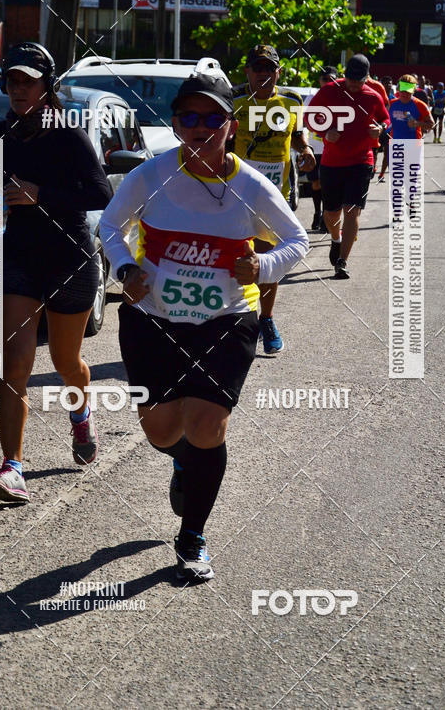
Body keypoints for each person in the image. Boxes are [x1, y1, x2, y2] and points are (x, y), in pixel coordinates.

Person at [100, 72, 308, 582]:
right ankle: (181, 463)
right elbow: (109, 225)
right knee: (162, 430)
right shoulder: (150, 177)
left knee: (207, 426)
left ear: (229, 127)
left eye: (212, 117)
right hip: (153, 321)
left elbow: (297, 240)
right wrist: (125, 268)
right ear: (175, 125)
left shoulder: (251, 187)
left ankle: (192, 535)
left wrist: (262, 267)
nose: (200, 127)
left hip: (226, 320)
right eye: (189, 117)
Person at [0, 42, 112, 503]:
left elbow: (101, 193)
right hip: (19, 259)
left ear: (46, 85)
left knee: (65, 363)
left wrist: (41, 194)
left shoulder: (69, 135)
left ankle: (81, 416)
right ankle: (12, 467)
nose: (17, 89)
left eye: (27, 80)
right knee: (14, 365)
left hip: (69, 259)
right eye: (11, 80)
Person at [232, 44, 314, 353]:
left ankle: (265, 319)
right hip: (235, 194)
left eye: (270, 68)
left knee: (266, 261)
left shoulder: (291, 100)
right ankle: (237, 320)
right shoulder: (234, 100)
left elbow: (296, 134)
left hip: (274, 196)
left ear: (278, 72)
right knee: (234, 259)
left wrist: (304, 150)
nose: (264, 74)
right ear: (248, 72)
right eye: (258, 68)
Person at [309, 53, 389, 279]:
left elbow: (385, 118)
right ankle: (336, 239)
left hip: (362, 161)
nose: (354, 84)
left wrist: (381, 129)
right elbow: (310, 117)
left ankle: (342, 261)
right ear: (345, 75)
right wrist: (324, 132)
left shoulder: (373, 96)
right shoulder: (329, 91)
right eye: (351, 78)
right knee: (331, 213)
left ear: (367, 77)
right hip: (332, 162)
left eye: (359, 80)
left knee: (352, 211)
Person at [378, 75, 434, 179]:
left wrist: (417, 123)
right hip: (396, 145)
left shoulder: (420, 105)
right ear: (398, 88)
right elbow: (383, 119)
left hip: (413, 145)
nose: (405, 94)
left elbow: (431, 124)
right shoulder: (391, 104)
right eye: (403, 90)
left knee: (410, 180)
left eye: (408, 91)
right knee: (397, 181)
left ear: (413, 90)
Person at [305, 65, 338, 232]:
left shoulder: (340, 98)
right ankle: (317, 212)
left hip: (331, 150)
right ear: (320, 80)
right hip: (314, 148)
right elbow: (303, 123)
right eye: (325, 79)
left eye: (332, 79)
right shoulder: (311, 99)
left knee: (328, 185)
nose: (328, 82)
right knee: (316, 183)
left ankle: (326, 217)